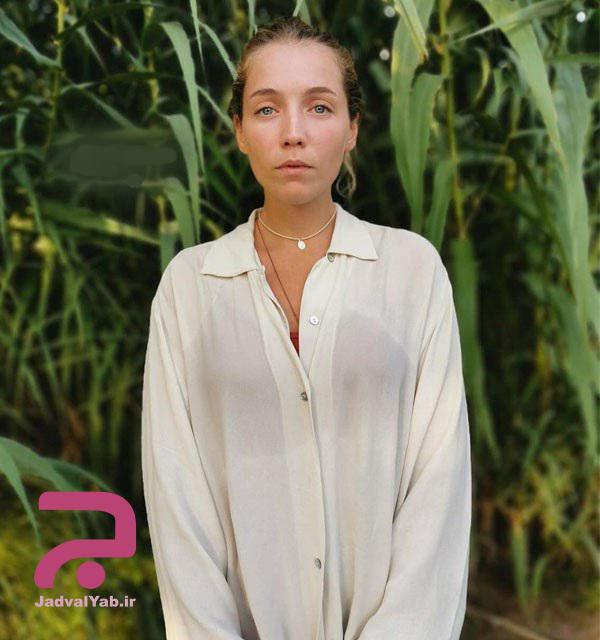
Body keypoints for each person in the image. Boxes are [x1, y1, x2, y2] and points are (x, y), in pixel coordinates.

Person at [141, 15, 472, 640]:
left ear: (352, 128)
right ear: (239, 130)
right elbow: (175, 491)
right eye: (267, 109)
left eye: (319, 107)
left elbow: (439, 483)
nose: (293, 132)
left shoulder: (411, 271)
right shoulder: (190, 286)